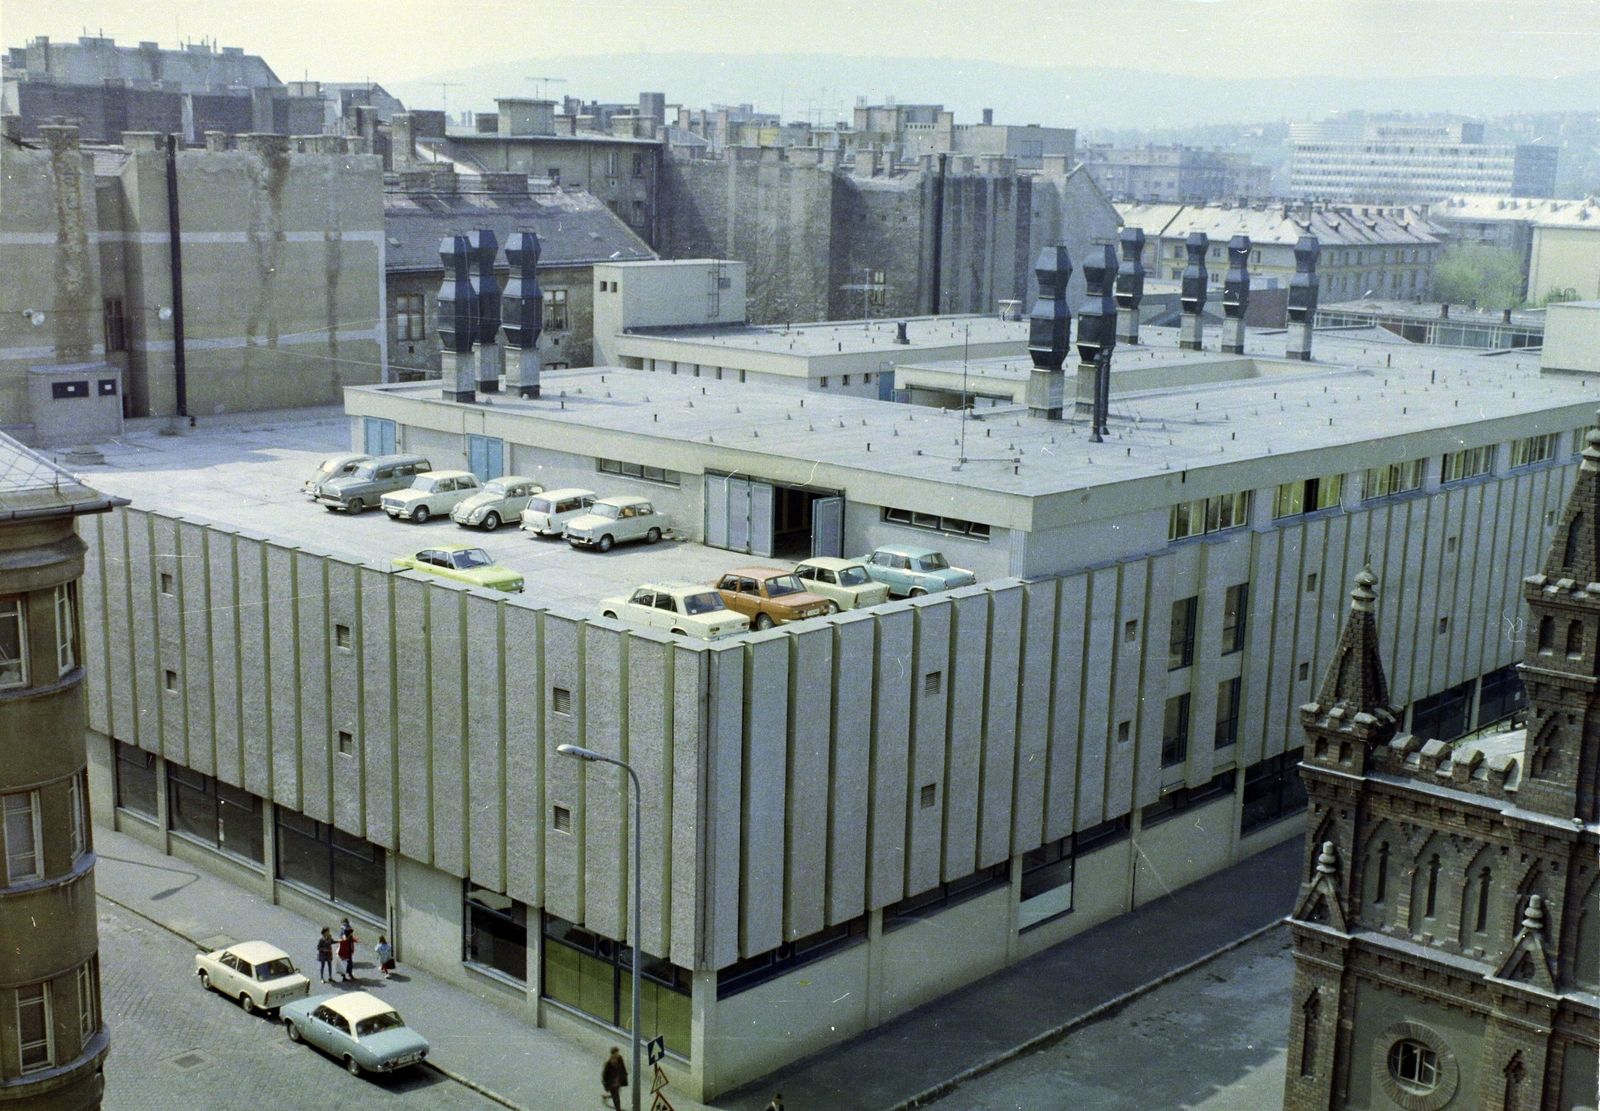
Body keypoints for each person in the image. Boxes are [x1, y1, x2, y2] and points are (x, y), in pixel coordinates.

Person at [601, 1046, 628, 1111]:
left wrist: (624, 1075)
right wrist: (606, 1084)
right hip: (612, 1084)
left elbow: (623, 1067)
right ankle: (618, 1109)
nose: (617, 1054)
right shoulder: (609, 1063)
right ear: (612, 1054)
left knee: (616, 1095)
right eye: (616, 1053)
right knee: (616, 1098)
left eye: (617, 1053)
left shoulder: (620, 1059)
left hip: (618, 1081)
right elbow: (604, 1075)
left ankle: (607, 1097)